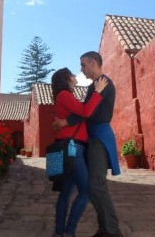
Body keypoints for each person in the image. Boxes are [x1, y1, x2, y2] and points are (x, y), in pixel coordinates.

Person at [53, 52, 123, 237]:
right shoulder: (94, 86)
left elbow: (87, 113)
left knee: (95, 185)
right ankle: (104, 229)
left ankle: (112, 231)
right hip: (88, 140)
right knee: (93, 186)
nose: (81, 69)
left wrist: (65, 122)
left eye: (83, 65)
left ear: (93, 63)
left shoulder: (103, 83)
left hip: (99, 138)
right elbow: (86, 111)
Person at [51, 67, 108, 237]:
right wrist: (97, 92)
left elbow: (80, 114)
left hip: (66, 146)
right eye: (72, 74)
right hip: (72, 148)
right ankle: (68, 233)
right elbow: (85, 112)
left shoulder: (64, 97)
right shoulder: (65, 95)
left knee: (65, 193)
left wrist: (64, 122)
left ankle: (59, 233)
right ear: (66, 79)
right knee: (85, 191)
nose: (75, 76)